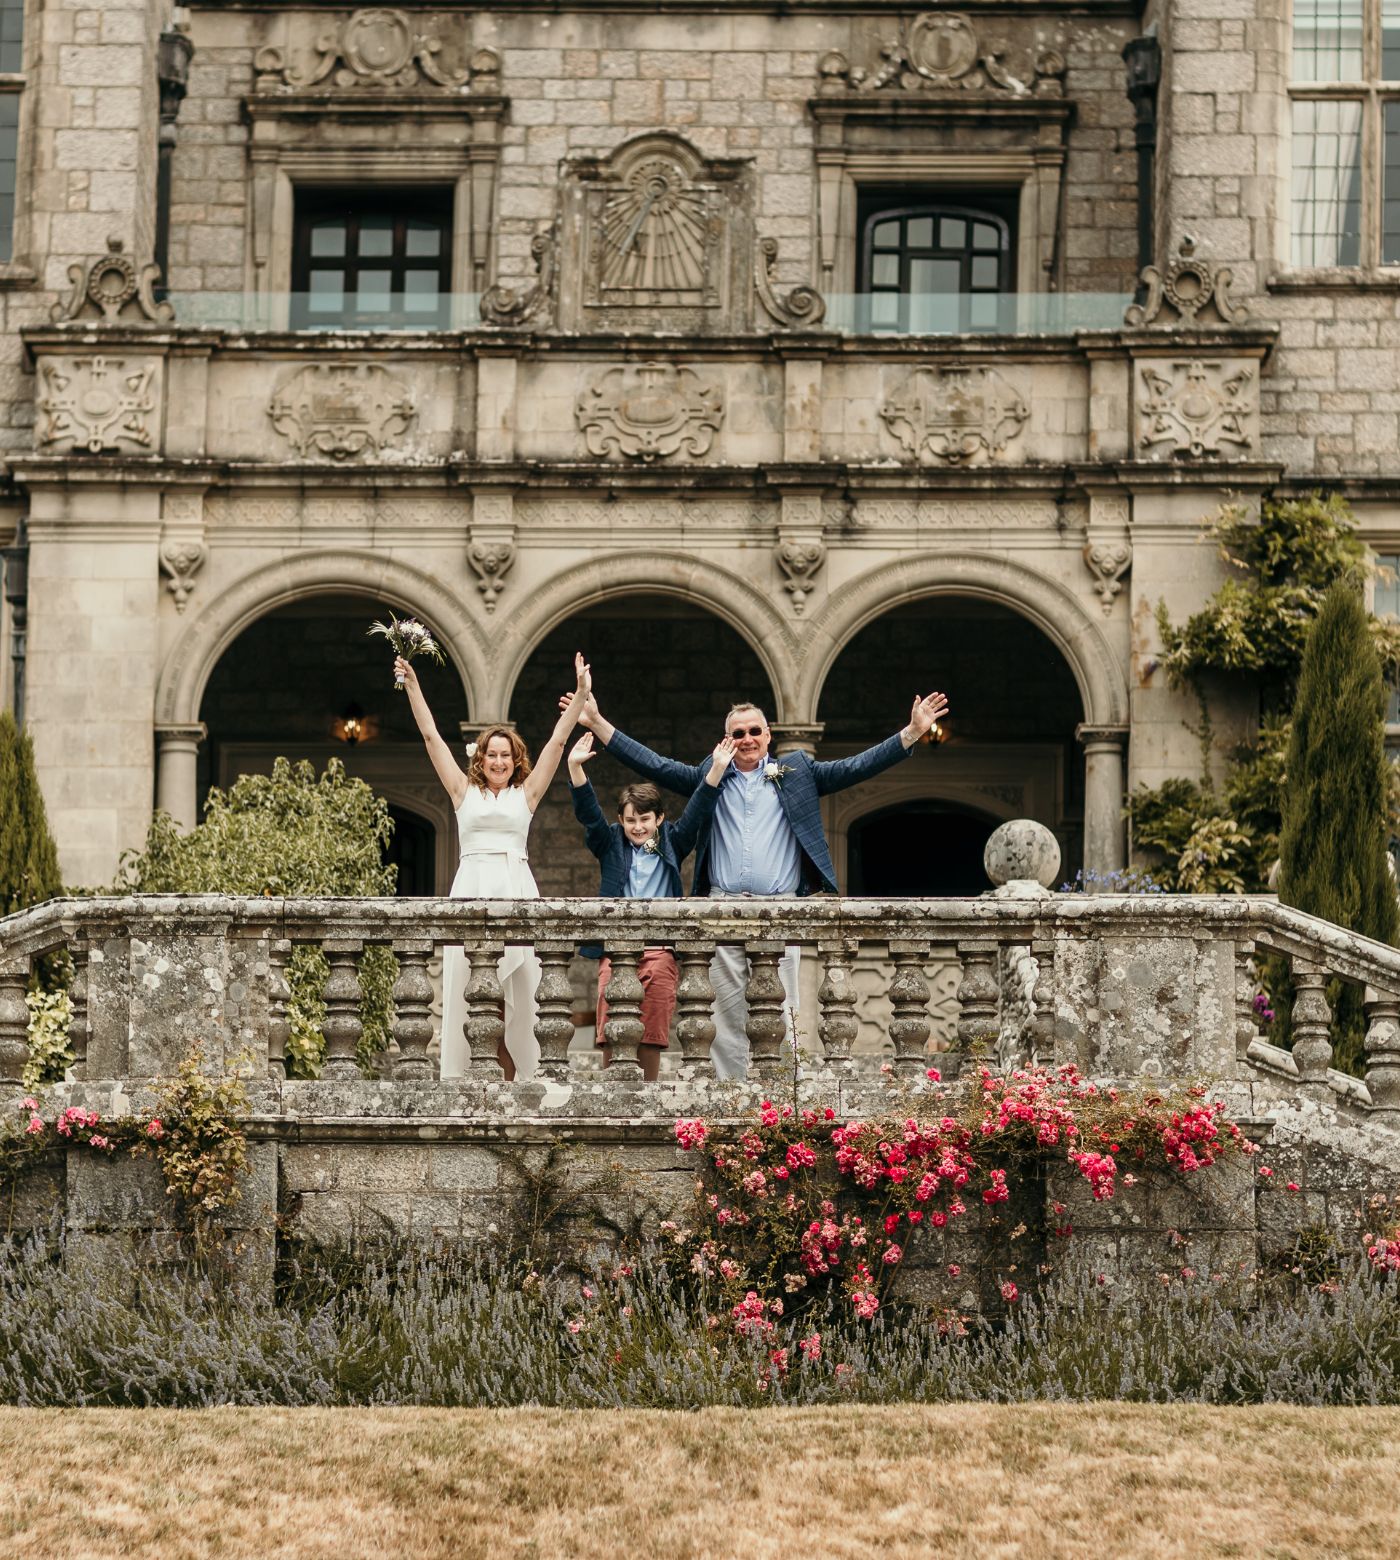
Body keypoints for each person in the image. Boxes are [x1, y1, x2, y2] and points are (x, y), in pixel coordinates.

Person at [568, 688, 950, 1078]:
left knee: (782, 1011)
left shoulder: (797, 772)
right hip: (722, 907)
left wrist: (911, 732)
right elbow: (656, 764)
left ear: (768, 735)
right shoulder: (710, 776)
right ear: (727, 739)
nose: (747, 739)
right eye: (738, 733)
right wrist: (598, 723)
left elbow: (855, 768)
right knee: (724, 1016)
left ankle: (782, 1100)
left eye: (754, 731)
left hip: (781, 907)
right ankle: (730, 1098)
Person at [399, 650, 589, 1080]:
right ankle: (476, 1079)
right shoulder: (462, 791)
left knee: (515, 998)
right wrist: (413, 685)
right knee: (475, 993)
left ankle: (515, 1080)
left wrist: (580, 695)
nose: (499, 762)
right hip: (473, 884)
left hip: (516, 886)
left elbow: (557, 742)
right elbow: (431, 737)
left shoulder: (527, 794)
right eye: (491, 755)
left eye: (505, 755)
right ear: (480, 759)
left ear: (514, 759)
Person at [567, 730, 734, 1080]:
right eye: (630, 820)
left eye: (645, 820)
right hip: (617, 949)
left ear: (658, 818)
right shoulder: (611, 842)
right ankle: (613, 1093)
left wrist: (717, 769)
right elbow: (589, 817)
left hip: (660, 950)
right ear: (622, 820)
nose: (637, 827)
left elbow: (698, 809)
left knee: (653, 1026)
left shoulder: (673, 840)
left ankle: (649, 1091)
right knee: (611, 1026)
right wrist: (576, 770)